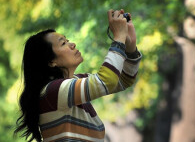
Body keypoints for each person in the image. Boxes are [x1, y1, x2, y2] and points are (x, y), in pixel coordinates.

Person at [14, 9, 142, 141]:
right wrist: (119, 38)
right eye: (63, 43)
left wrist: (130, 47)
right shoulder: (53, 91)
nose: (72, 44)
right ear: (51, 61)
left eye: (67, 40)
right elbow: (106, 81)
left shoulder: (75, 83)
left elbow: (123, 80)